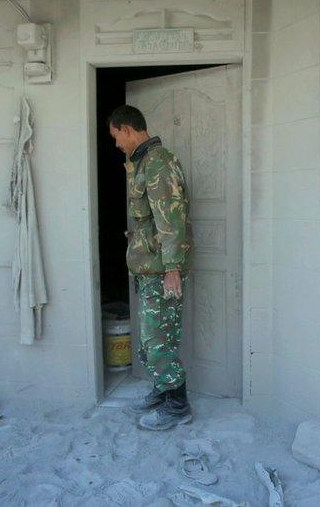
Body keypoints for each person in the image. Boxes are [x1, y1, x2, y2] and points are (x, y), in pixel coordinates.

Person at [108, 104, 194, 431]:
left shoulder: (158, 163)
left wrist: (172, 268)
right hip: (150, 266)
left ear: (127, 129)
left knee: (158, 340)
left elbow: (172, 220)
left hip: (161, 270)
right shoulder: (143, 162)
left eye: (117, 137)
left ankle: (178, 405)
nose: (117, 144)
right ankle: (162, 391)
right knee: (149, 339)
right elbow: (151, 220)